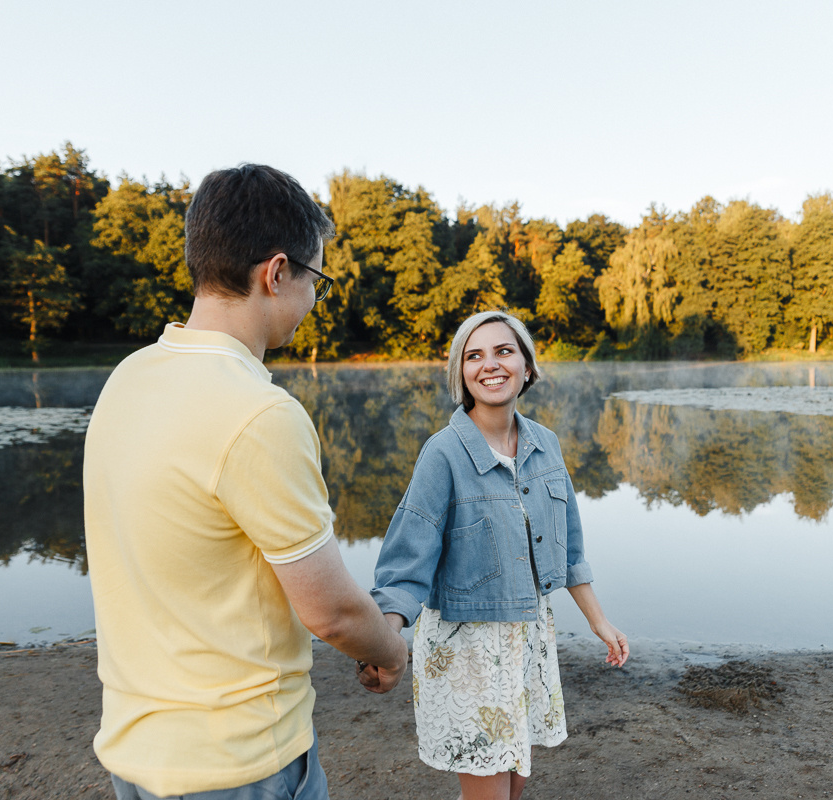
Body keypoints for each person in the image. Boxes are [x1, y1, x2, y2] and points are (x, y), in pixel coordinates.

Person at [83, 164, 407, 800]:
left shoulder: (127, 378)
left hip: (135, 756)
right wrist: (392, 650)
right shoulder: (260, 413)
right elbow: (333, 612)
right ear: (277, 272)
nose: (315, 300)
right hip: (238, 765)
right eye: (316, 279)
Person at [362, 310, 629, 800]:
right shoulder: (442, 454)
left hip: (529, 640)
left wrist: (599, 622)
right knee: (490, 792)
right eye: (474, 355)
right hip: (468, 652)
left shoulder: (545, 445)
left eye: (505, 351)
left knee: (516, 781)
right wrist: (386, 639)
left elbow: (569, 545)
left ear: (527, 367)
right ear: (460, 373)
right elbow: (407, 559)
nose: (491, 364)